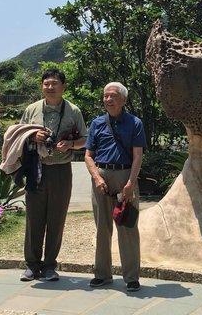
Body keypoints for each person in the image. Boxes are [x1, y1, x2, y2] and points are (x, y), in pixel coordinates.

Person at [19, 68, 87, 282]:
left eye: (54, 83)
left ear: (63, 87)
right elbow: (18, 136)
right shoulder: (31, 109)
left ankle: (49, 266)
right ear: (42, 86)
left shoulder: (73, 110)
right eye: (46, 83)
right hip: (36, 168)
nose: (50, 87)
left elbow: (85, 139)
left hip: (61, 170)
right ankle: (31, 265)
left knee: (56, 218)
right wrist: (32, 135)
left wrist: (70, 144)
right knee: (33, 217)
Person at [84, 82, 146, 292]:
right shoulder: (97, 123)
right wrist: (96, 177)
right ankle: (102, 274)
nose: (108, 99)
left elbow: (138, 156)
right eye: (105, 96)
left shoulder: (135, 123)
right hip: (101, 177)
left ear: (123, 100)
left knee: (127, 227)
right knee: (102, 228)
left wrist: (130, 183)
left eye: (113, 96)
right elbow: (88, 155)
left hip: (125, 176)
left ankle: (131, 277)